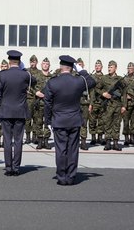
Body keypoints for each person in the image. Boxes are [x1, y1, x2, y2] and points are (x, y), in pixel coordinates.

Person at [44, 55, 96, 186]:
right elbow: (92, 82)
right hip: (74, 120)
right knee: (73, 149)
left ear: (61, 67)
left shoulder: (52, 82)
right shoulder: (78, 81)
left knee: (61, 149)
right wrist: (81, 70)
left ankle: (61, 177)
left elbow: (48, 103)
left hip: (59, 120)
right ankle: (71, 176)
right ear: (72, 68)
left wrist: (48, 120)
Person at [0, 50, 36, 176]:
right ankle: (16, 168)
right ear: (20, 61)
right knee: (18, 141)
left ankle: (8, 168)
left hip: (6, 111)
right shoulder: (25, 75)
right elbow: (34, 81)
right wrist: (23, 70)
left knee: (7, 140)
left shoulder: (2, 75)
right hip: (20, 111)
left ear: (9, 61)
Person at [98, 60, 127, 151]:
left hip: (118, 104)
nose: (109, 68)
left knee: (117, 123)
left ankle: (115, 143)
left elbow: (124, 93)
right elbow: (97, 88)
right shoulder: (104, 78)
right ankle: (107, 142)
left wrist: (124, 106)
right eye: (108, 67)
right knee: (107, 123)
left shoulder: (120, 79)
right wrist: (103, 94)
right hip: (108, 105)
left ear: (115, 68)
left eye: (111, 67)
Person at [33, 57, 52, 149]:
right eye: (44, 64)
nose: (45, 65)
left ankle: (47, 141)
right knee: (38, 122)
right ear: (41, 65)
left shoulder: (52, 77)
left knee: (48, 122)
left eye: (47, 64)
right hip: (39, 103)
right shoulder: (36, 76)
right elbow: (29, 87)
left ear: (49, 65)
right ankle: (40, 141)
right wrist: (36, 92)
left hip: (49, 104)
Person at [88, 60, 106, 145]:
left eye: (99, 65)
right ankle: (93, 137)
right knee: (92, 120)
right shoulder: (91, 77)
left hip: (102, 102)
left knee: (102, 120)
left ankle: (100, 137)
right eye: (96, 65)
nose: (97, 67)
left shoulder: (105, 77)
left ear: (102, 67)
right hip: (93, 101)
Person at [25, 55, 40, 144]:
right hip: (28, 99)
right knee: (27, 119)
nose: (32, 63)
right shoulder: (26, 72)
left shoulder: (39, 73)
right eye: (31, 62)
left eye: (34, 62)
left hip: (36, 98)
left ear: (36, 62)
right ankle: (27, 136)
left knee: (36, 118)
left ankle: (34, 136)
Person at [76, 58, 90, 150]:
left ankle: (83, 141)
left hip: (85, 103)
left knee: (84, 123)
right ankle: (75, 141)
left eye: (81, 65)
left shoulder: (86, 77)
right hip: (75, 103)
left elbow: (91, 91)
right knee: (75, 123)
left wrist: (91, 104)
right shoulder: (73, 76)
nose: (79, 66)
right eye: (78, 65)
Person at [122, 62, 134, 146]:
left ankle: (132, 137)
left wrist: (132, 96)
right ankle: (126, 137)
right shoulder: (124, 80)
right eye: (128, 68)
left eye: (131, 68)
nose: (129, 69)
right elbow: (120, 91)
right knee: (126, 121)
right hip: (126, 104)